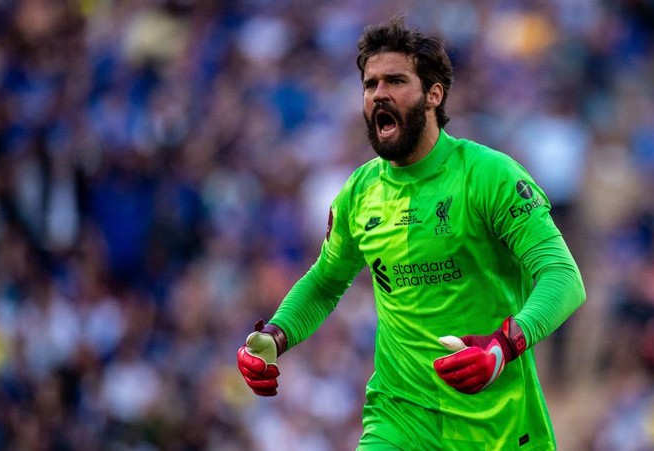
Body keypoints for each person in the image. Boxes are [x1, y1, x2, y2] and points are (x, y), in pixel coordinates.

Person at [237, 16, 586, 451]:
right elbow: (326, 280)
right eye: (370, 84)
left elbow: (562, 277)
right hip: (399, 421)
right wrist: (275, 334)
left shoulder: (489, 175)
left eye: (396, 81)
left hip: (497, 426)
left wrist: (502, 347)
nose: (379, 93)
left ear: (433, 95)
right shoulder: (360, 192)